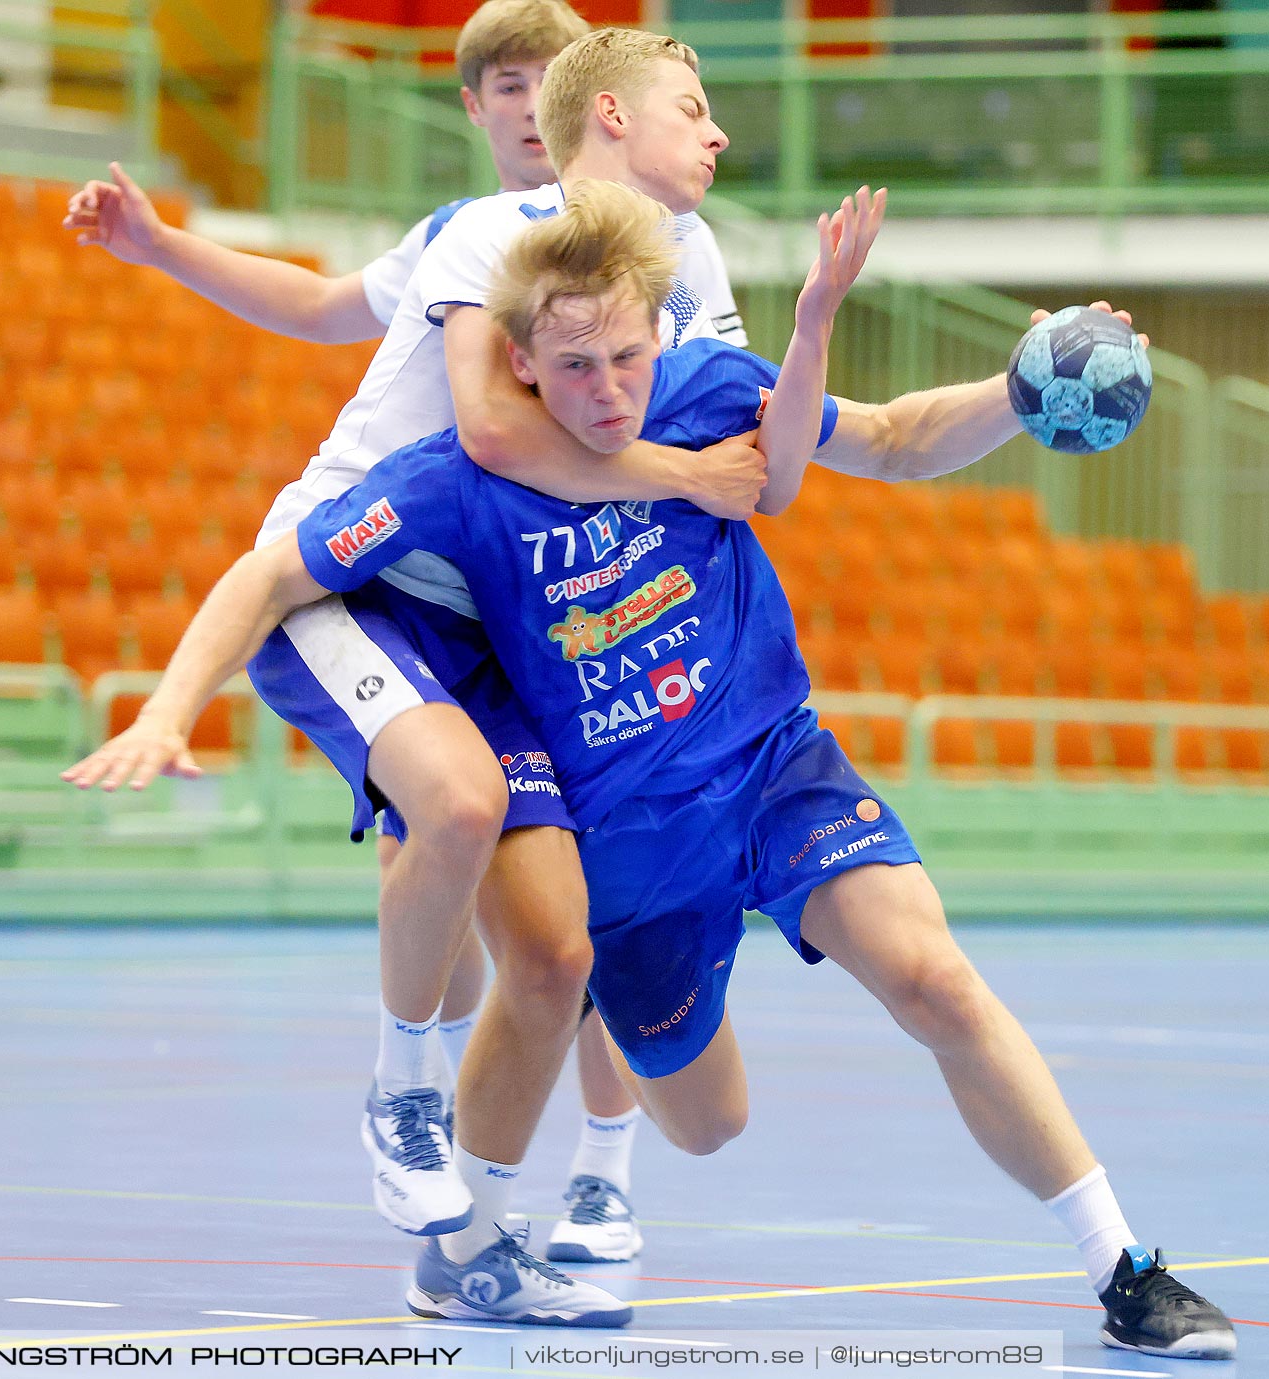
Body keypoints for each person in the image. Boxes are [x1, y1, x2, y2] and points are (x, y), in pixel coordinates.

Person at [66, 181, 1237, 1362]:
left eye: (628, 355)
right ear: (518, 362)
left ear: (659, 334)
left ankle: (1126, 1266)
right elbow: (273, 577)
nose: (609, 390)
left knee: (933, 978)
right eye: (575, 368)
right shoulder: (453, 480)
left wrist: (1024, 388)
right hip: (631, 844)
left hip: (776, 767)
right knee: (708, 1121)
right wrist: (170, 709)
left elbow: (887, 435)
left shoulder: (710, 395)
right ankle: (500, 1142)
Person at [70, 26, 768, 1301]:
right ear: (599, 118)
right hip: (365, 571)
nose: (718, 131)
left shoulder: (686, 256)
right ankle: (405, 1090)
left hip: (504, 616)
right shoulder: (481, 240)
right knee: (452, 806)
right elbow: (490, 427)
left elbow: (719, 416)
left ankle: (510, 1220)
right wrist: (171, 705)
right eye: (694, 105)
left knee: (562, 944)